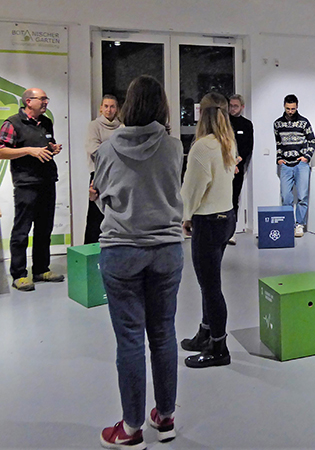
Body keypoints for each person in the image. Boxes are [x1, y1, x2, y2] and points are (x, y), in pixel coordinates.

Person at [94, 75, 184, 449]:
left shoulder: (107, 149)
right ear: (162, 105)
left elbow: (101, 194)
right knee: (163, 332)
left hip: (122, 249)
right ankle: (165, 417)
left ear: (128, 105)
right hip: (166, 248)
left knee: (130, 339)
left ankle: (131, 429)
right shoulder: (174, 147)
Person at [180, 93, 237, 369]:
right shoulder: (227, 141)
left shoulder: (202, 147)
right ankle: (205, 332)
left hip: (208, 222)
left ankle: (218, 346)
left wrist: (185, 215)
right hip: (227, 219)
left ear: (201, 113)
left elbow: (192, 189)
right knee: (210, 283)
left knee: (210, 287)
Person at [0, 88, 64, 291]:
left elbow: (46, 144)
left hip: (47, 181)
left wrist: (52, 148)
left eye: (46, 98)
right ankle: (19, 275)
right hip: (26, 183)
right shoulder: (12, 123)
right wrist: (28, 150)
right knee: (22, 230)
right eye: (42, 99)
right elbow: (1, 151)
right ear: (28, 101)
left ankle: (41, 269)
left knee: (45, 228)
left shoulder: (46, 122)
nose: (46, 102)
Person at [274, 94, 315, 238]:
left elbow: (312, 141)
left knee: (302, 196)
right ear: (284, 106)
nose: (290, 111)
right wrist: (279, 158)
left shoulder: (304, 122)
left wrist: (306, 157)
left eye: (293, 108)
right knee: (286, 196)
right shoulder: (277, 124)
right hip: (286, 164)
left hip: (301, 164)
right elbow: (278, 143)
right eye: (288, 108)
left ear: (297, 106)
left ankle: (299, 224)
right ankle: (288, 224)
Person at [84, 94, 121, 244]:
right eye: (106, 106)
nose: (109, 110)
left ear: (117, 109)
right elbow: (94, 149)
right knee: (95, 215)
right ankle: (91, 248)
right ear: (101, 108)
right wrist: (116, 152)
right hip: (98, 174)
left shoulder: (122, 127)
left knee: (115, 214)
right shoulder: (94, 126)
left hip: (117, 175)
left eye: (112, 106)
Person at [228, 94, 254, 245]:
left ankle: (231, 232)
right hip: (223, 166)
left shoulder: (246, 125)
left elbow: (248, 146)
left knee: (234, 199)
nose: (232, 109)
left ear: (242, 107)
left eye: (235, 106)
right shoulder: (224, 123)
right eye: (231, 106)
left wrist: (238, 160)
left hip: (237, 167)